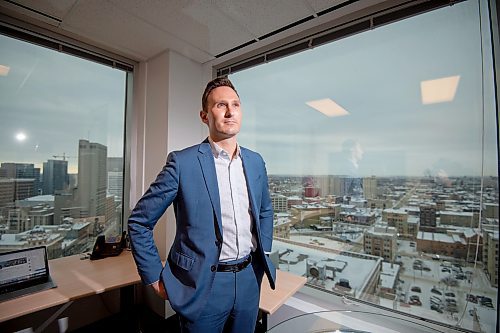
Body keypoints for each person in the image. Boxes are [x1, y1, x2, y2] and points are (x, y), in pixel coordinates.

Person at [127, 77, 276, 333]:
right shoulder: (182, 163)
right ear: (204, 115)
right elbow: (139, 221)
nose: (230, 112)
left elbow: (265, 212)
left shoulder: (255, 161)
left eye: (236, 104)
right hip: (203, 286)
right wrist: (153, 277)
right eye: (221, 105)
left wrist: (265, 254)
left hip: (249, 279)